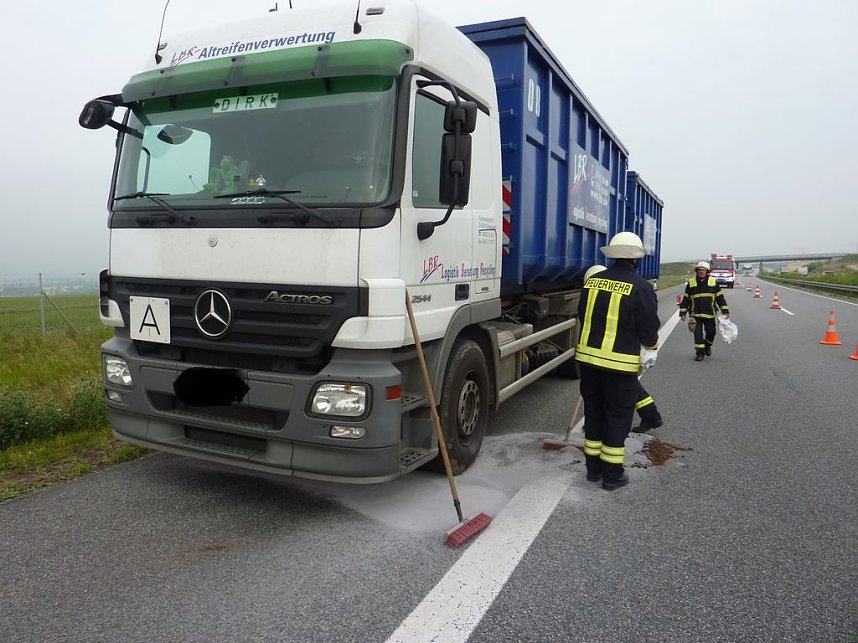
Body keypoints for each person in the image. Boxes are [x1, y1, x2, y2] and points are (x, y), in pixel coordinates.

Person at [576, 233, 661, 490]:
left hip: (588, 363)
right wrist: (651, 347)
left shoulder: (592, 282)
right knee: (617, 417)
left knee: (594, 413)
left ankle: (593, 470)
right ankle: (612, 476)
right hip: (619, 366)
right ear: (636, 259)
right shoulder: (641, 287)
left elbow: (583, 314)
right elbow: (648, 329)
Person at [582, 264, 664, 435]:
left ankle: (650, 415)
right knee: (629, 386)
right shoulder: (616, 290)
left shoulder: (601, 293)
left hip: (612, 355)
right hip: (621, 354)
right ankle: (651, 415)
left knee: (623, 389)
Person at [679, 261, 730, 361]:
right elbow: (686, 299)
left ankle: (707, 346)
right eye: (699, 270)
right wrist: (683, 313)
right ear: (697, 271)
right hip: (695, 315)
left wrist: (725, 310)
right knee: (698, 335)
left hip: (710, 314)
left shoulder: (713, 282)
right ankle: (700, 353)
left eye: (703, 270)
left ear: (707, 272)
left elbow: (720, 297)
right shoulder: (691, 283)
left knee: (711, 333)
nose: (701, 272)